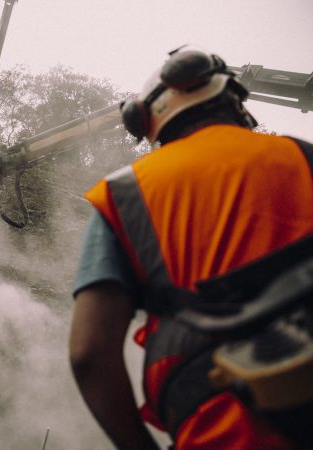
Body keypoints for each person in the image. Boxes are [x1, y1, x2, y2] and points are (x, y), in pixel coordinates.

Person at [68, 48, 313, 450]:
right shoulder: (306, 159)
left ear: (147, 119)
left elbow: (89, 354)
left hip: (214, 431)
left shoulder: (125, 194)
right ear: (233, 99)